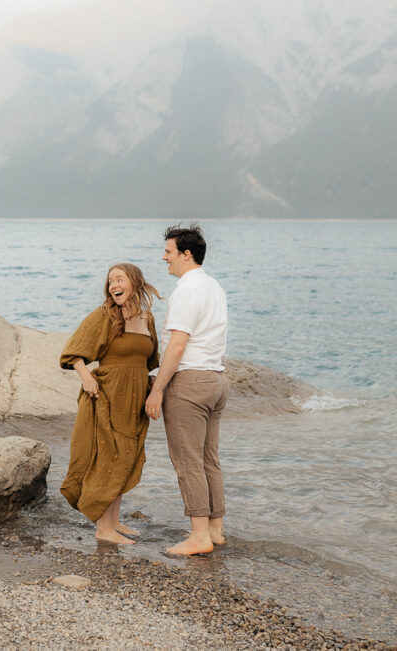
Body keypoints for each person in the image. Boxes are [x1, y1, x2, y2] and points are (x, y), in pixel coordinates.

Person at [60, 263, 161, 544]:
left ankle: (115, 522)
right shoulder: (104, 314)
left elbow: (151, 362)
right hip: (106, 394)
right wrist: (86, 379)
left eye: (120, 279)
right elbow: (73, 352)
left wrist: (155, 392)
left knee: (125, 458)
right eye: (110, 280)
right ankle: (103, 529)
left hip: (134, 400)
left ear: (135, 282)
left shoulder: (146, 317)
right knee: (107, 458)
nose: (113, 284)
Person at [145, 224, 228, 556]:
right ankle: (215, 530)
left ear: (186, 254)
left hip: (190, 383)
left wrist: (157, 390)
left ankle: (198, 537)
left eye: (168, 251)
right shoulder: (214, 287)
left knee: (188, 461)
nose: (164, 257)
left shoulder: (187, 290)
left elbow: (177, 345)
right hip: (216, 381)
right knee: (209, 459)